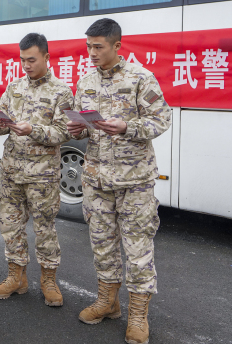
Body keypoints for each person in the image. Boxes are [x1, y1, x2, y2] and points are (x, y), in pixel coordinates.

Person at [67, 18, 171, 344]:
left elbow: (161, 119)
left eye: (98, 47)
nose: (92, 52)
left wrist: (128, 127)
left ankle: (138, 315)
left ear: (116, 46)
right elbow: (84, 124)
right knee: (102, 245)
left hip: (135, 181)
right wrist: (78, 129)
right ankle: (107, 302)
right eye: (88, 46)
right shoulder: (85, 82)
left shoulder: (141, 78)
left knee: (138, 249)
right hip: (97, 180)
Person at [0, 33, 73, 306]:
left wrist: (33, 129)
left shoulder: (61, 92)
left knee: (45, 228)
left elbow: (64, 132)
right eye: (23, 59)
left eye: (32, 60)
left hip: (43, 175)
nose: (26, 65)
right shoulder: (13, 88)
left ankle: (48, 280)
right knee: (10, 226)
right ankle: (16, 277)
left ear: (47, 57)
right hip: (12, 171)